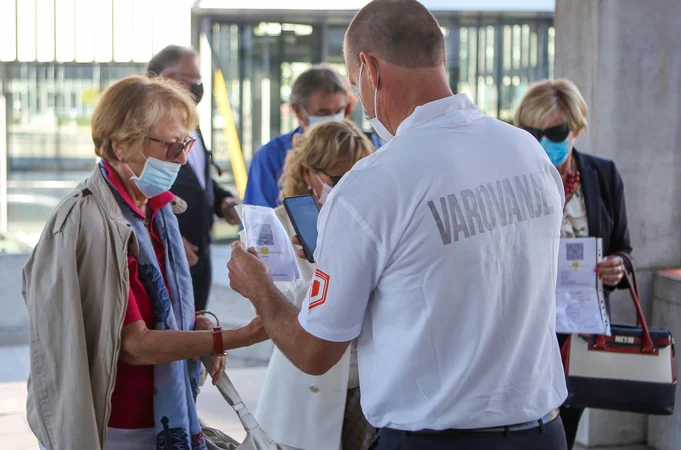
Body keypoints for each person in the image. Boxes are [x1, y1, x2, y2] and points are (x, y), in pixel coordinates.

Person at [226, 1, 568, 449]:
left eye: (353, 84)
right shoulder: (527, 152)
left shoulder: (372, 185)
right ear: (439, 57)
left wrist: (260, 289)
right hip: (542, 431)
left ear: (369, 68)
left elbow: (314, 352)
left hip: (433, 439)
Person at [23, 75, 267, 450]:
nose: (183, 158)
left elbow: (159, 310)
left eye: (187, 143)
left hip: (164, 415)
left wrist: (197, 325)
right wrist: (245, 335)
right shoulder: (89, 219)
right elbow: (135, 345)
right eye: (172, 146)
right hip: (119, 425)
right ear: (122, 146)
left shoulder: (156, 208)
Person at [514, 78, 633, 450]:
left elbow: (623, 247)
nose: (541, 139)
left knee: (565, 425)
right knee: (524, 426)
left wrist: (618, 266)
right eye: (531, 131)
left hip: (580, 329)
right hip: (526, 326)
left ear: (577, 128)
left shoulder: (603, 175)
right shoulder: (513, 177)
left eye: (554, 131)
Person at [255, 120, 375, 450]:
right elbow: (276, 312)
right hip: (304, 391)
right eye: (338, 178)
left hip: (367, 390)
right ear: (308, 172)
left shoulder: (372, 222)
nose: (347, 186)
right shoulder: (274, 227)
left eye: (357, 176)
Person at [147, 45, 241, 312]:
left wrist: (221, 201)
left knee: (196, 329)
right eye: (194, 80)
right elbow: (139, 189)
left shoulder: (189, 120)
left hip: (200, 254)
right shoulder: (147, 126)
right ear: (168, 77)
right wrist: (167, 240)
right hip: (166, 256)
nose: (199, 87)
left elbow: (197, 179)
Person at [244, 65, 379, 208]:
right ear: (298, 111)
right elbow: (258, 220)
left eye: (339, 110)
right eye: (323, 112)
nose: (332, 119)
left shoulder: (366, 147)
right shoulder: (271, 156)